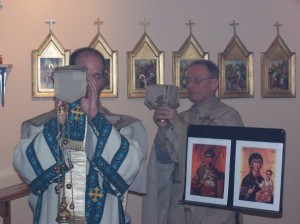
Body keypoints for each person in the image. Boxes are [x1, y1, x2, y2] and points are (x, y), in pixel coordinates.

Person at [13, 47, 147, 224]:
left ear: (103, 82)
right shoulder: (40, 126)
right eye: (83, 74)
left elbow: (126, 172)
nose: (89, 82)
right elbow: (27, 168)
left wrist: (95, 119)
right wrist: (59, 123)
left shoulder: (123, 127)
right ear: (69, 76)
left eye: (96, 76)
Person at [142, 59, 244, 224]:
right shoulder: (184, 116)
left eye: (197, 81)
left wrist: (176, 124)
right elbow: (165, 159)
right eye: (187, 81)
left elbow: (213, 158)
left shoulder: (228, 116)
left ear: (214, 83)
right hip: (179, 206)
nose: (190, 85)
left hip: (212, 207)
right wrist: (163, 129)